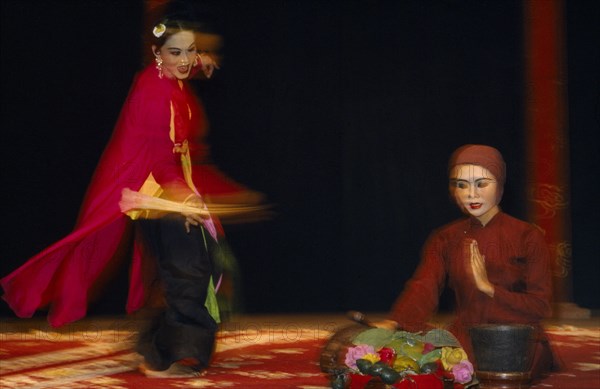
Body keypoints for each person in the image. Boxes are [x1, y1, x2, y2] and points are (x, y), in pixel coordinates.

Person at [1, 15, 228, 378]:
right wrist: (184, 201)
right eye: (176, 52)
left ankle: (153, 346)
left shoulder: (164, 79)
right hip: (156, 196)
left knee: (183, 272)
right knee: (189, 272)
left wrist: (203, 62)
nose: (186, 60)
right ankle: (167, 357)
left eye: (191, 51)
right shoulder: (155, 93)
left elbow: (185, 67)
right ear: (157, 54)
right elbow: (160, 160)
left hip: (160, 194)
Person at [373, 144, 559, 380]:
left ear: (499, 185)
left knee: (501, 371)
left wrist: (489, 289)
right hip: (465, 336)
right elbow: (424, 286)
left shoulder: (527, 236)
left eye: (481, 184)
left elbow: (540, 306)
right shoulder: (446, 238)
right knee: (403, 355)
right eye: (462, 185)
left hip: (516, 338)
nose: (471, 194)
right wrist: (396, 322)